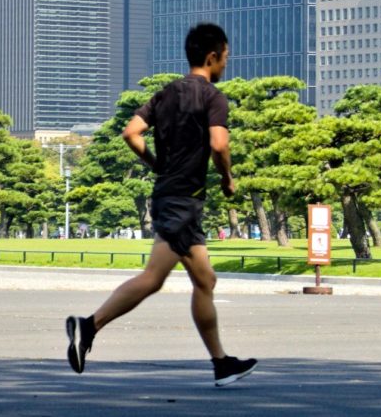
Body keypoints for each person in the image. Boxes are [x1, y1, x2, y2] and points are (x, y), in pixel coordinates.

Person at [65, 23, 256, 387]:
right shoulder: (213, 97)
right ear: (212, 57)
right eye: (226, 57)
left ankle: (221, 363)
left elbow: (130, 133)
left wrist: (156, 165)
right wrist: (228, 178)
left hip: (173, 195)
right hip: (184, 199)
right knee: (154, 277)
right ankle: (88, 326)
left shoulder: (165, 93)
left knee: (205, 279)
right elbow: (219, 144)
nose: (226, 64)